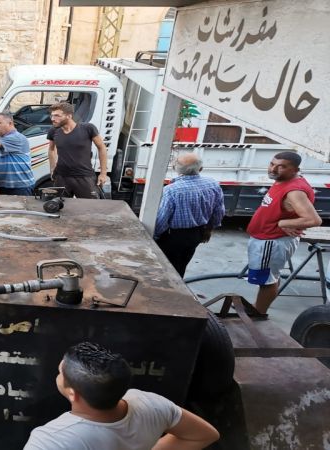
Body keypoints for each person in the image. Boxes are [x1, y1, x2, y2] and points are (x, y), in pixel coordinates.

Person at [24, 342, 220, 450]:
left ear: (73, 394)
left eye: (60, 372)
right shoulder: (152, 404)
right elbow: (204, 435)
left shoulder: (50, 440)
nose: (58, 375)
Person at [246, 152, 321, 316]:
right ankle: (258, 306)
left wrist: (283, 223)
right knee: (270, 277)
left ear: (295, 169)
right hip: (267, 238)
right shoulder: (284, 181)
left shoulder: (294, 191)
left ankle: (258, 313)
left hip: (271, 241)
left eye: (281, 166)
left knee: (267, 280)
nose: (274, 169)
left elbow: (314, 219)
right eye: (272, 164)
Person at [153, 153, 225, 277]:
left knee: (165, 269)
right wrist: (208, 230)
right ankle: (179, 290)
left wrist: (154, 237)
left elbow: (162, 220)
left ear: (175, 169)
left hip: (173, 237)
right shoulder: (212, 184)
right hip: (196, 234)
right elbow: (218, 211)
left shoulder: (171, 190)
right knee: (181, 265)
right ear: (200, 169)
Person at [47, 102, 108, 199]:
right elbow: (51, 149)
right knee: (59, 207)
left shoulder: (88, 128)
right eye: (52, 115)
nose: (53, 119)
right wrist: (52, 168)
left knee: (90, 208)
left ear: (69, 116)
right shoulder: (53, 131)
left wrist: (103, 173)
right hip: (61, 177)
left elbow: (102, 148)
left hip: (84, 177)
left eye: (57, 116)